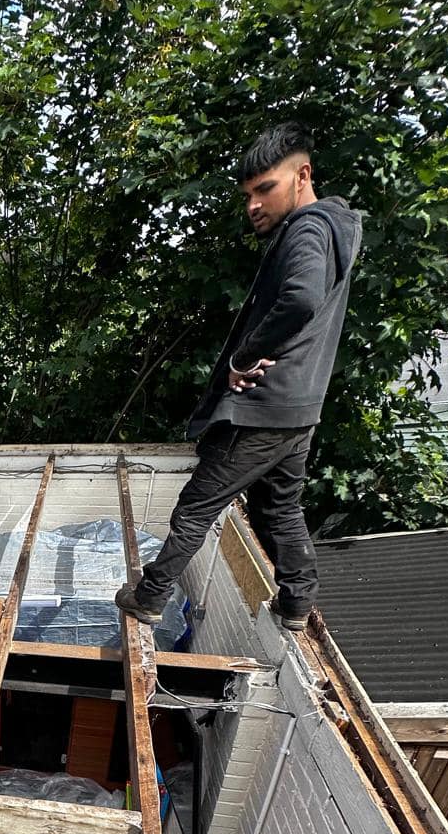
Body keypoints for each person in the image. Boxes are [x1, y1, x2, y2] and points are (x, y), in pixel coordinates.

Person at [116, 122, 363, 633]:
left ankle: (149, 595)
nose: (253, 204)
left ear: (303, 176)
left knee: (196, 506)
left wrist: (245, 356)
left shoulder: (310, 229)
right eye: (248, 194)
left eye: (265, 189)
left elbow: (299, 298)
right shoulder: (338, 228)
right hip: (299, 408)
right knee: (281, 508)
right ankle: (296, 603)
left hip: (263, 407)